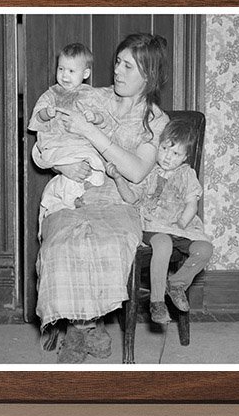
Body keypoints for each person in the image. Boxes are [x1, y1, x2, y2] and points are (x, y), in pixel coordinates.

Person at [34, 33, 170, 364]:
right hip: (74, 193)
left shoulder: (156, 120)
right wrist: (62, 163)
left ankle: (85, 327)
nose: (118, 72)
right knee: (60, 245)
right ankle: (85, 327)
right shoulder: (90, 96)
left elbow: (136, 171)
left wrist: (90, 131)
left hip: (120, 201)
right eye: (117, 63)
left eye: (128, 66)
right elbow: (42, 146)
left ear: (148, 76)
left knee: (107, 243)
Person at [107, 118, 213, 324]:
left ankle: (176, 284)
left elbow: (192, 202)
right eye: (164, 149)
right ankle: (157, 302)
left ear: (185, 157)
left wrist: (183, 221)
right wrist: (119, 179)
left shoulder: (187, 174)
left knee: (204, 248)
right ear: (158, 146)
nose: (167, 157)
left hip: (180, 226)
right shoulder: (149, 172)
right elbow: (132, 198)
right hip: (152, 224)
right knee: (163, 243)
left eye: (175, 154)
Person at [28, 43, 105, 225]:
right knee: (63, 164)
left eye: (71, 71)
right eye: (61, 69)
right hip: (58, 142)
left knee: (96, 168)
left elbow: (103, 117)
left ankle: (80, 195)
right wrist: (47, 113)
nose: (64, 75)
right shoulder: (51, 94)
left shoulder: (90, 94)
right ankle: (68, 200)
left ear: (85, 74)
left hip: (80, 144)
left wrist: (94, 116)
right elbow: (38, 116)